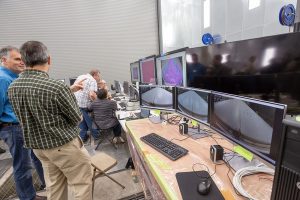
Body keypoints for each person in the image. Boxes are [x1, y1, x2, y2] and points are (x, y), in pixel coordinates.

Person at [8, 41, 93, 200]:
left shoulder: (13, 87)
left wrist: (69, 91)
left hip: (39, 149)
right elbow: (77, 118)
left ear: (24, 61)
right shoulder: (56, 87)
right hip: (64, 147)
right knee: (81, 184)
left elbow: (35, 104)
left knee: (54, 187)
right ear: (49, 59)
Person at [0, 46, 46, 200]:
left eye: (22, 59)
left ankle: (38, 190)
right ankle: (28, 198)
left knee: (36, 158)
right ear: (4, 60)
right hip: (14, 129)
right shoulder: (3, 79)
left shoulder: (14, 77)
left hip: (23, 127)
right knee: (23, 166)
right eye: (17, 59)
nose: (22, 62)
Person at [74, 69, 101, 142]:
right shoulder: (92, 80)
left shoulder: (81, 76)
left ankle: (82, 138)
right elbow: (92, 94)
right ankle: (96, 136)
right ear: (95, 75)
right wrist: (98, 102)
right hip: (85, 105)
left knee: (82, 122)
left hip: (77, 103)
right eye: (99, 76)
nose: (99, 78)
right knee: (90, 121)